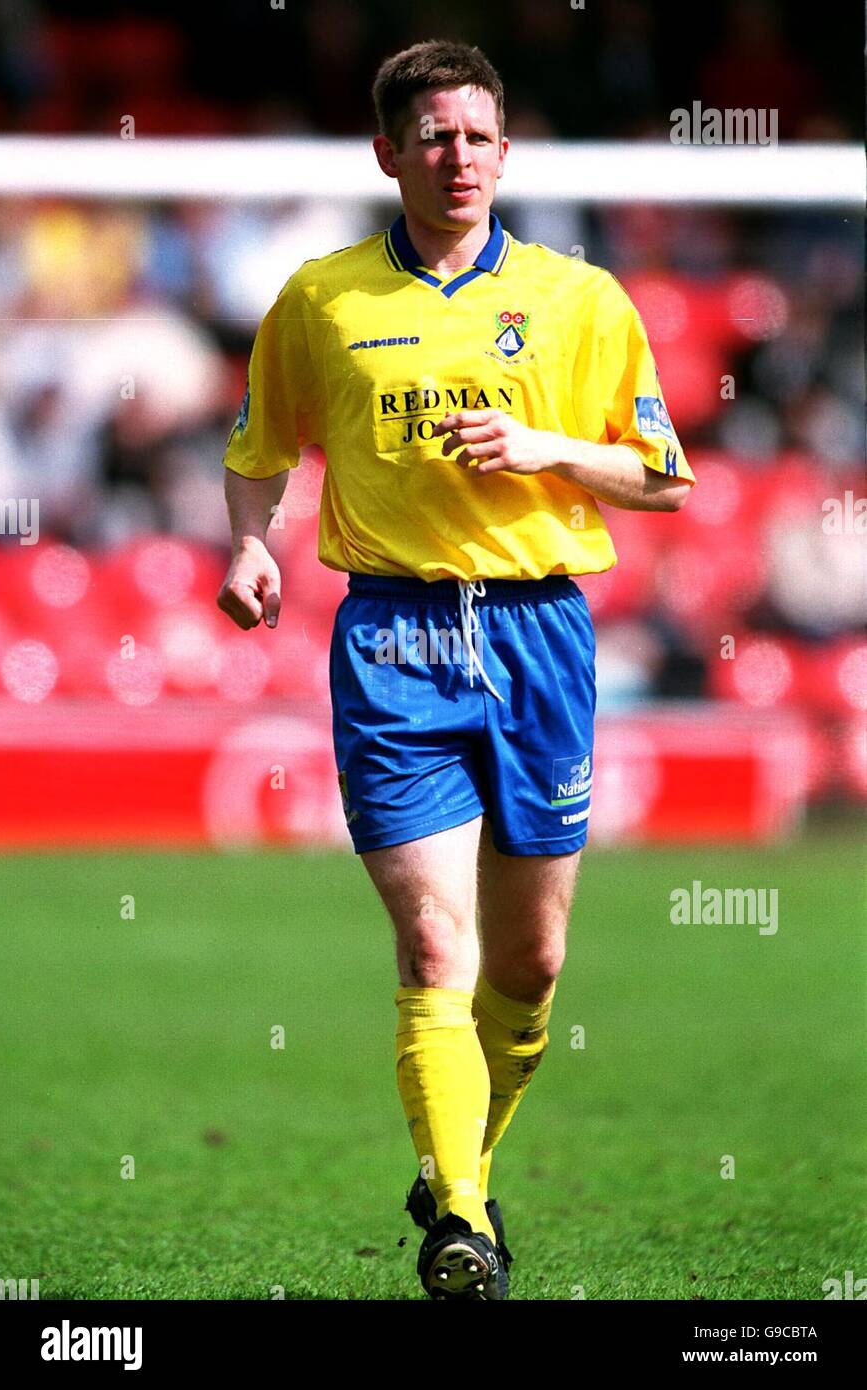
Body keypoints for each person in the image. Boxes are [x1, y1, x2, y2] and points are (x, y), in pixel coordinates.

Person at [217, 39, 695, 1301]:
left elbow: (661, 479)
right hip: (394, 640)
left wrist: (543, 444)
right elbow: (261, 441)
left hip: (540, 634)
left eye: (479, 136)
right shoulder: (323, 300)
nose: (459, 158)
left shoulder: (581, 298)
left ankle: (454, 1162)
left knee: (529, 972)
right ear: (389, 153)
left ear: (504, 148)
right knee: (438, 947)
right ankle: (464, 1229)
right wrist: (251, 543)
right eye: (433, 137)